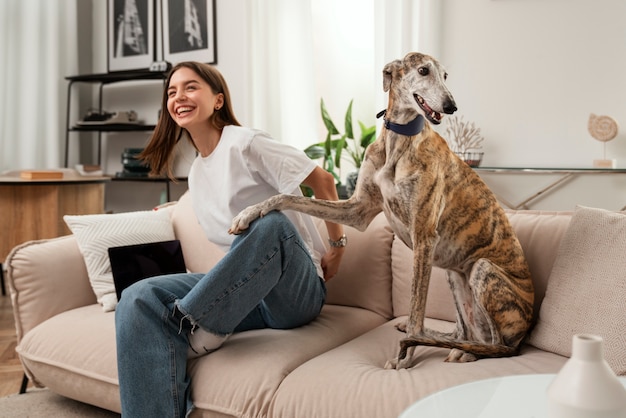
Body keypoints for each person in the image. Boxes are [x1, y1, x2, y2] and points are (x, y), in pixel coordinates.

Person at [115, 61, 346, 417]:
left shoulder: (247, 143)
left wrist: (337, 249)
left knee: (268, 221)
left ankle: (193, 324)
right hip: (245, 298)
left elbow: (324, 182)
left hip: (294, 294)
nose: (179, 97)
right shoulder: (196, 172)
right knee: (138, 297)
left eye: (191, 87)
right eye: (172, 92)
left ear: (218, 100)